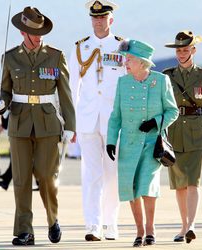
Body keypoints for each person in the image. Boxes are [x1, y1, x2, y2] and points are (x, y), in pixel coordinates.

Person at [0, 7, 76, 246]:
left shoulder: (55, 56)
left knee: (46, 177)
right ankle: (25, 231)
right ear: (23, 32)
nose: (39, 36)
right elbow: (5, 90)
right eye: (34, 32)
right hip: (19, 124)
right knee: (21, 180)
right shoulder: (9, 57)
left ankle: (53, 220)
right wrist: (0, 104)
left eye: (41, 32)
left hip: (47, 123)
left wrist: (70, 125)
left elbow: (65, 93)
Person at [107, 39, 179, 247]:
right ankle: (139, 230)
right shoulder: (123, 82)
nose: (125, 63)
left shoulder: (160, 81)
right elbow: (116, 116)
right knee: (131, 187)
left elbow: (172, 111)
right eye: (126, 59)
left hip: (151, 144)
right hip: (129, 143)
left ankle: (150, 229)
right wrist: (111, 141)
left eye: (129, 59)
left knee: (147, 186)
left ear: (142, 62)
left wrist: (155, 123)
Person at [69, 0, 125, 241]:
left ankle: (111, 224)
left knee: (112, 175)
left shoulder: (122, 45)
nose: (98, 21)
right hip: (87, 119)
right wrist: (71, 122)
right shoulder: (81, 47)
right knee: (91, 174)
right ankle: (93, 225)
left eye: (103, 17)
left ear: (111, 19)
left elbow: (127, 83)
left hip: (113, 120)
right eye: (95, 17)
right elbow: (73, 86)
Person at [163, 31, 202, 244]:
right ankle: (184, 226)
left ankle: (191, 224)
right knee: (179, 185)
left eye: (186, 49)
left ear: (193, 50)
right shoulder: (167, 76)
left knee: (193, 181)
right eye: (179, 50)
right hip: (174, 134)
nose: (182, 53)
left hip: (197, 134)